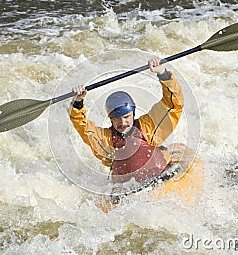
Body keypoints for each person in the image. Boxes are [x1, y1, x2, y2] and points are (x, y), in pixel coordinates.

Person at [69, 57, 184, 202]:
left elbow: (173, 104)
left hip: (161, 180)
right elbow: (83, 127)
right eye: (117, 118)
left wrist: (163, 74)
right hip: (127, 194)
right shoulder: (106, 140)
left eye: (127, 117)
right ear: (110, 119)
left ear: (133, 113)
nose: (123, 122)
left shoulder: (148, 126)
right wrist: (78, 102)